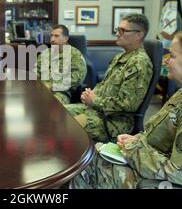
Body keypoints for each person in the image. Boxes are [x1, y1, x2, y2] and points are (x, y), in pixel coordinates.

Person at [70, 30, 182, 189]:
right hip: (147, 165)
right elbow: (161, 136)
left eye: (172, 56)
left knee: (82, 167)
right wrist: (137, 140)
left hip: (157, 181)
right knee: (85, 156)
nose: (165, 61)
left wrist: (132, 150)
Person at [65, 13, 153, 142]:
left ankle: (76, 160)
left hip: (115, 122)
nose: (117, 34)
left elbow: (128, 105)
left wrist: (94, 101)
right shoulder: (121, 56)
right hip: (99, 111)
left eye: (123, 31)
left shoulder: (139, 63)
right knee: (59, 112)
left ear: (139, 35)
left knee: (66, 126)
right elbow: (104, 83)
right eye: (118, 29)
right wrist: (90, 94)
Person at [35, 24, 86, 104]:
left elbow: (77, 79)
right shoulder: (44, 54)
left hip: (60, 92)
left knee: (49, 105)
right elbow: (36, 74)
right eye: (51, 36)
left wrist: (53, 87)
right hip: (41, 90)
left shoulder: (74, 55)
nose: (52, 39)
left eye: (56, 36)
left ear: (65, 38)